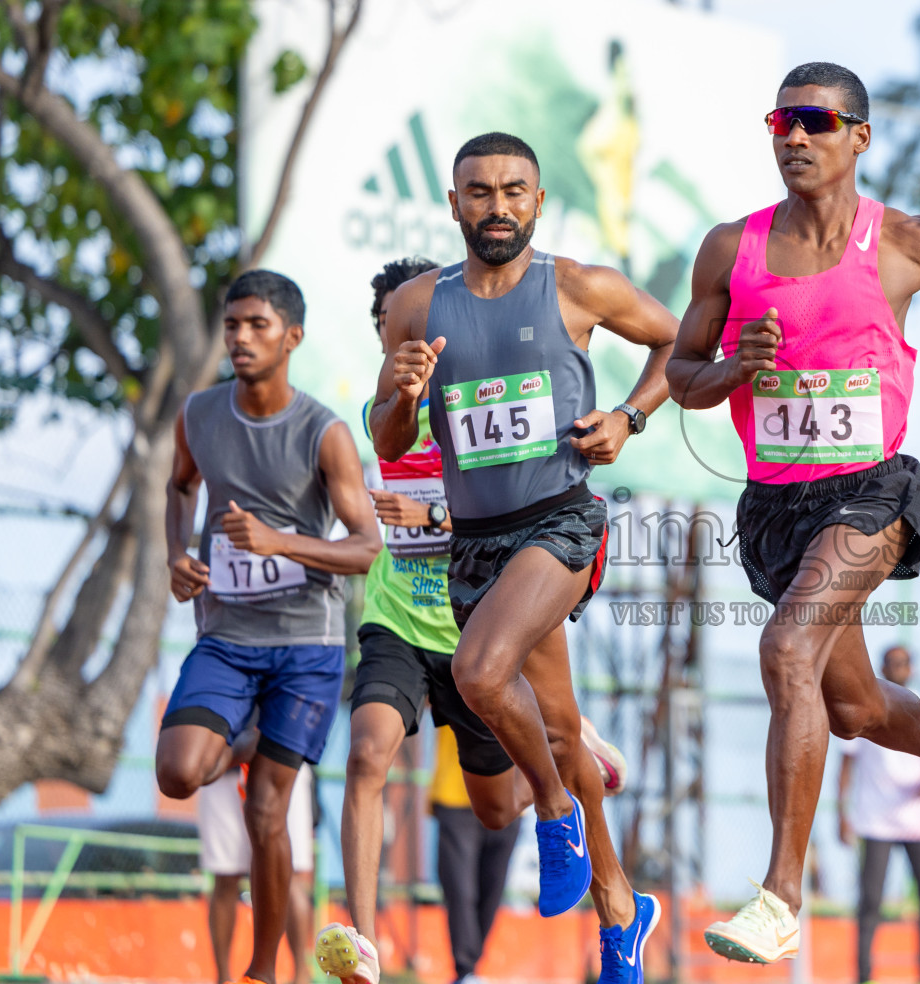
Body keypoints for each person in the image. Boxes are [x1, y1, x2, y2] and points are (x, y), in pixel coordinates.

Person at [666, 60, 920, 966]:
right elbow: (681, 379)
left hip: (870, 489)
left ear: (860, 135)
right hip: (778, 501)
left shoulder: (909, 239)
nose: (796, 137)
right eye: (782, 121)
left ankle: (783, 894)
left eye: (817, 121)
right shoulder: (728, 249)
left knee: (786, 650)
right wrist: (736, 367)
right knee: (853, 707)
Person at [369, 133, 677, 984]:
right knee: (563, 730)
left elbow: (675, 346)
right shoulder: (417, 308)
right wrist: (398, 394)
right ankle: (621, 909)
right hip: (476, 542)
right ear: (454, 203)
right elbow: (389, 437)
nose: (497, 206)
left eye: (513, 191)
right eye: (479, 192)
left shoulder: (577, 285)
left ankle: (556, 812)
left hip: (561, 521)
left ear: (538, 201)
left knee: (476, 670)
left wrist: (629, 417)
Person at [317, 257, 630, 984]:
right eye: (390, 329)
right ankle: (363, 942)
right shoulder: (386, 406)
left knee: (495, 810)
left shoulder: (482, 398)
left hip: (477, 618)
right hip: (398, 619)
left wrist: (430, 512)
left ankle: (563, 757)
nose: (409, 337)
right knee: (366, 753)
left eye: (423, 323)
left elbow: (511, 505)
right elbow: (389, 443)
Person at [157, 269, 382, 984]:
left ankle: (259, 974)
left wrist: (279, 541)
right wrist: (178, 555)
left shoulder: (325, 432)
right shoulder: (198, 414)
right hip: (225, 635)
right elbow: (179, 485)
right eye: (232, 325)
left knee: (267, 811)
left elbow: (366, 546)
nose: (241, 338)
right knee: (177, 771)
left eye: (257, 325)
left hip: (305, 645)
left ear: (293, 337)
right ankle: (245, 733)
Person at [836, 646, 920, 984]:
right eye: (891, 663)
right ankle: (864, 976)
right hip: (875, 819)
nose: (898, 668)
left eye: (903, 663)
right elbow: (846, 765)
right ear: (881, 667)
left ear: (912, 669)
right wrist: (841, 814)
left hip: (919, 819)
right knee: (870, 900)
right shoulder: (864, 707)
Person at [200, 746, 317, 984]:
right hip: (224, 767)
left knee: (290, 876)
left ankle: (301, 976)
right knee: (225, 875)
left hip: (281, 759)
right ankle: (223, 978)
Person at [431, 726, 522, 984]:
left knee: (492, 892)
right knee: (460, 890)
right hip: (456, 797)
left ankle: (470, 969)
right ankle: (465, 970)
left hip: (510, 799)